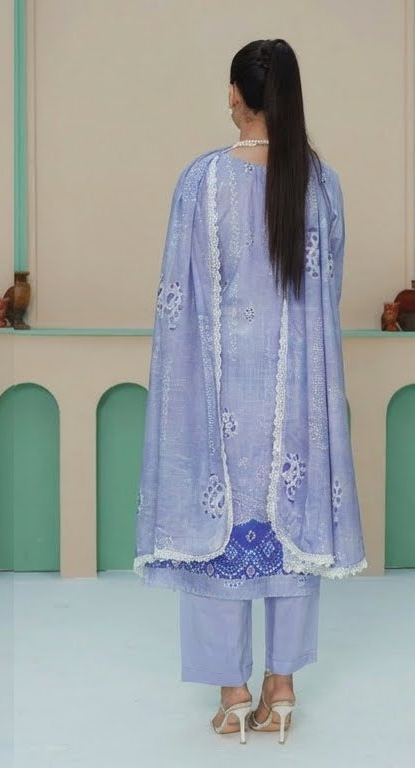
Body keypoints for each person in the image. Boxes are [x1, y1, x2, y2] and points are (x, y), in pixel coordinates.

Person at [134, 39, 365, 745]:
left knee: (220, 537)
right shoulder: (318, 183)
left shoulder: (202, 182)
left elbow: (181, 299)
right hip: (296, 400)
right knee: (292, 539)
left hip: (222, 394)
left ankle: (234, 695)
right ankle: (283, 689)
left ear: (235, 96)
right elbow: (326, 292)